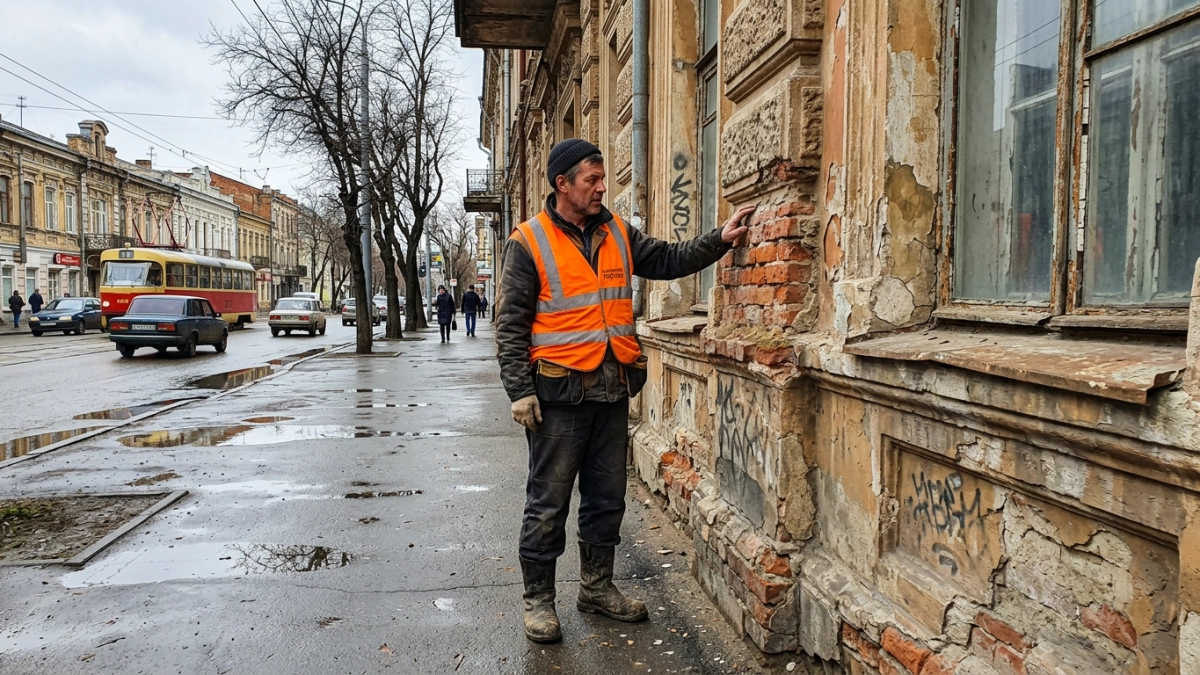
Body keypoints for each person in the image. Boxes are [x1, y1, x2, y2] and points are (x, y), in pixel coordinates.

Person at [496, 138, 755, 643]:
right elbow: (511, 324)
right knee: (548, 502)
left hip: (612, 390)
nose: (600, 187)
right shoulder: (528, 242)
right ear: (562, 184)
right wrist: (519, 391)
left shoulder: (615, 230)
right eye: (590, 179)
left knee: (606, 498)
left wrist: (719, 239)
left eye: (601, 178)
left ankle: (596, 588)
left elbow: (665, 258)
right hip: (557, 398)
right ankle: (538, 602)